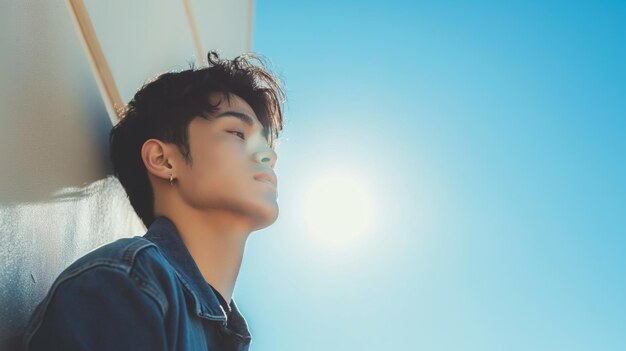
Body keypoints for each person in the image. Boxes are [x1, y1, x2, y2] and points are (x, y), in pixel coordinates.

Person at [21, 51, 285, 350]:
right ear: (163, 160)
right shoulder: (126, 285)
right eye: (238, 132)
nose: (268, 155)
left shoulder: (219, 333)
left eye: (266, 143)